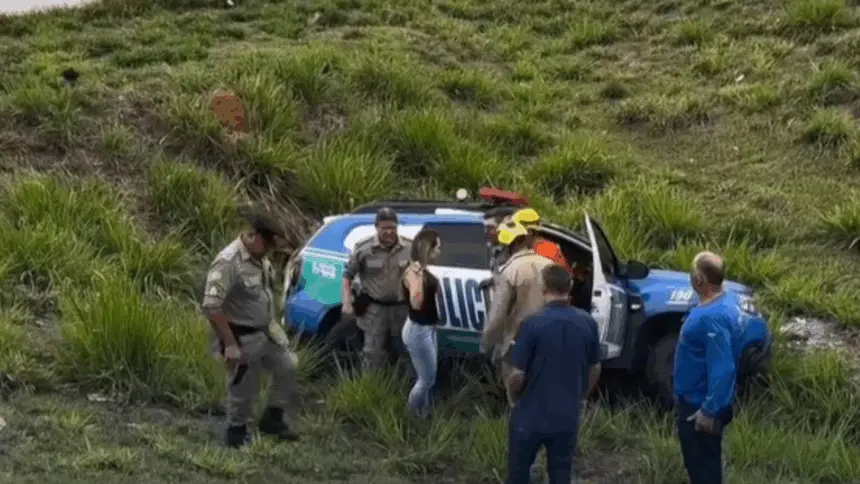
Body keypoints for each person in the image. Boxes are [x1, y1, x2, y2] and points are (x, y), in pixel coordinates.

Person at [201, 205, 300, 448]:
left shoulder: (260, 259)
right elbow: (212, 306)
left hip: (265, 332)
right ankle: (236, 432)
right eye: (266, 245)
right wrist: (230, 344)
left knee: (288, 366)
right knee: (244, 387)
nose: (268, 251)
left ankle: (272, 419)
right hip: (241, 335)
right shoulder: (228, 262)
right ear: (252, 236)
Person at [504, 264, 602, 484]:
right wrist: (582, 396)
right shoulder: (588, 322)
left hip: (530, 416)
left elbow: (518, 375)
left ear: (544, 287)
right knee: (561, 474)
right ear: (569, 288)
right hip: (567, 415)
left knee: (518, 474)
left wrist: (512, 397)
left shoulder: (531, 323)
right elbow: (595, 367)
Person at [674, 251, 740, 484]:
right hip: (700, 400)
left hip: (698, 406)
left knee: (703, 471)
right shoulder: (724, 299)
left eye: (693, 272)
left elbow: (724, 368)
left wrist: (708, 411)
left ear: (699, 280)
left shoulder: (711, 318)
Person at [480, 220, 553, 404]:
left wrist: (487, 342)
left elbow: (497, 315)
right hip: (548, 341)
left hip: (517, 344)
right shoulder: (549, 265)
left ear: (509, 245)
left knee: (517, 400)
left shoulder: (510, 271)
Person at [341, 207, 412, 372]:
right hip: (374, 310)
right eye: (384, 228)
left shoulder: (410, 247)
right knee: (372, 354)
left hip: (402, 309)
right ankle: (372, 389)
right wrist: (347, 303)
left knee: (407, 352)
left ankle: (406, 391)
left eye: (393, 227)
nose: (389, 232)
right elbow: (347, 276)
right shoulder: (363, 248)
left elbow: (420, 275)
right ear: (376, 227)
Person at [400, 229, 443, 419]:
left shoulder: (422, 270)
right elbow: (416, 303)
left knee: (428, 378)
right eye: (437, 248)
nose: (439, 252)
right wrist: (417, 278)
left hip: (427, 328)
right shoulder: (414, 271)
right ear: (428, 248)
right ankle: (410, 415)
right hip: (418, 330)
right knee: (426, 379)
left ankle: (423, 414)